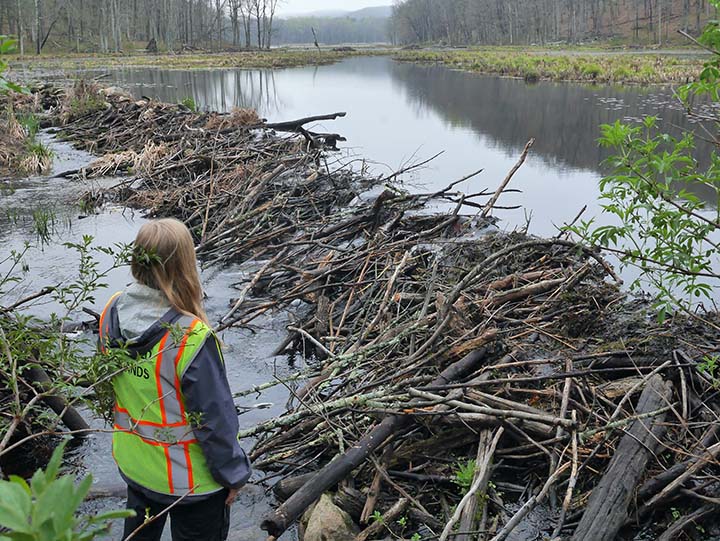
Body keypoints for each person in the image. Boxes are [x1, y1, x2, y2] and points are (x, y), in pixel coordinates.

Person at [98, 218, 252, 541]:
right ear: (185, 267)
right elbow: (215, 421)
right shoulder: (190, 338)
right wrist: (234, 475)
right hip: (193, 486)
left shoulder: (110, 315)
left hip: (137, 471)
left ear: (136, 262)